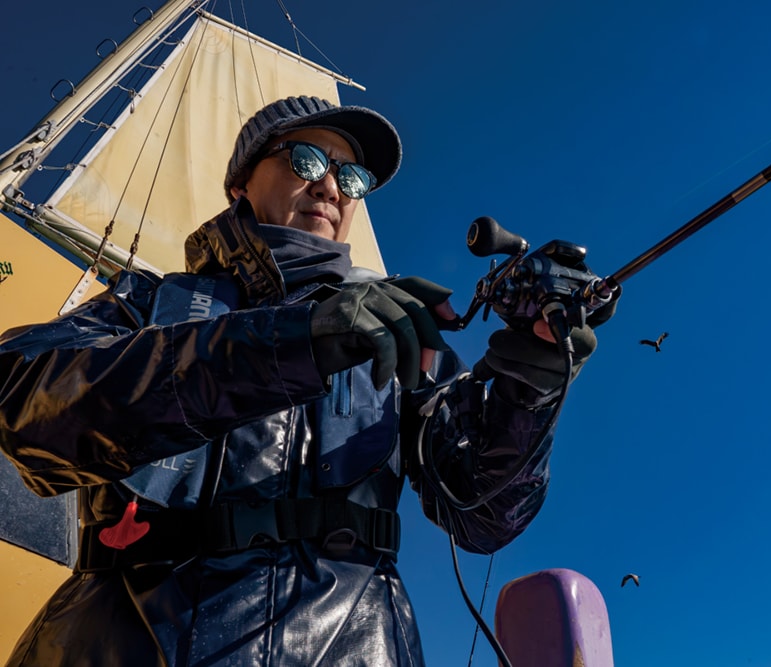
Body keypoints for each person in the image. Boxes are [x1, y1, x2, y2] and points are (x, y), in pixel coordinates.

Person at [0, 96, 613, 666]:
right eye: (308, 159)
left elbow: (483, 516)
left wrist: (528, 385)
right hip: (116, 644)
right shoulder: (147, 302)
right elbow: (23, 404)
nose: (330, 186)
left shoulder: (404, 340)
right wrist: (299, 338)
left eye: (351, 178)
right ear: (240, 182)